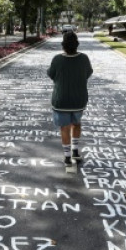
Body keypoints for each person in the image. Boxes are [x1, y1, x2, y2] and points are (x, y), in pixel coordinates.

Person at [47, 31, 93, 167]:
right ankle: (75, 151)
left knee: (64, 128)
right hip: (79, 100)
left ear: (63, 45)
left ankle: (67, 157)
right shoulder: (84, 58)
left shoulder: (57, 59)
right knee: (77, 124)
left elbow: (51, 74)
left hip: (61, 100)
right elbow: (88, 73)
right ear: (77, 44)